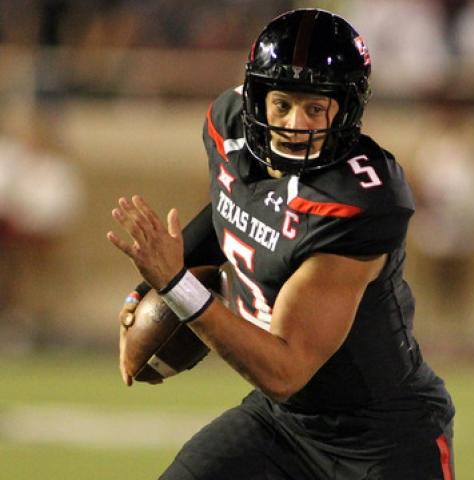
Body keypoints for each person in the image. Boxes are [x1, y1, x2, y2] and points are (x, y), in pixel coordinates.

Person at [107, 9, 455, 480]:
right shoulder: (229, 126)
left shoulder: (358, 199)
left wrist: (175, 285)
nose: (295, 124)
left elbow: (285, 370)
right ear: (256, 99)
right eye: (283, 104)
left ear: (345, 110)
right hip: (283, 424)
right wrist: (145, 290)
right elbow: (230, 205)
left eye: (315, 108)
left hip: (381, 437)